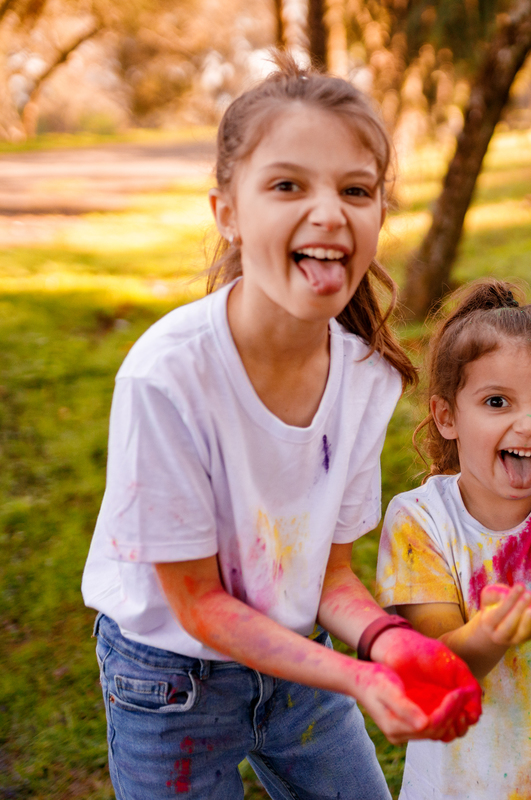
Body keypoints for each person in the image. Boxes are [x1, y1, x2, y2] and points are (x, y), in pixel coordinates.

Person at [81, 58, 481, 800]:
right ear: (226, 211)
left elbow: (329, 576)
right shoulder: (165, 377)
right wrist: (357, 674)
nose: (329, 211)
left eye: (356, 190)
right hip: (170, 684)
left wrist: (387, 641)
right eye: (288, 185)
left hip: (303, 668)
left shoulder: (369, 378)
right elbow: (197, 603)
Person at [376, 279, 531, 800]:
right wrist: (490, 632)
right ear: (448, 418)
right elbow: (439, 664)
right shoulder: (420, 520)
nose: (530, 423)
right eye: (497, 401)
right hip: (455, 783)